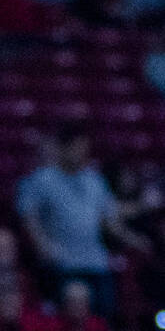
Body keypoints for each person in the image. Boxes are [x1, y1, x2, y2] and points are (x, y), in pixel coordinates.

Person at [16, 125, 145, 319]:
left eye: (84, 147)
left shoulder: (95, 180)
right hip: (64, 265)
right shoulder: (43, 179)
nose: (82, 152)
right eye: (76, 147)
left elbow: (108, 220)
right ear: (63, 148)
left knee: (103, 318)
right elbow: (27, 215)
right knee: (66, 321)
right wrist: (43, 245)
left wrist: (135, 239)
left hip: (96, 263)